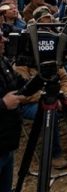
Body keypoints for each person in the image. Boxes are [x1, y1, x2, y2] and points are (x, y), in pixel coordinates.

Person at [0, 34, 24, 191]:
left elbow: (20, 83)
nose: (4, 41)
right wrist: (2, 104)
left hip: (7, 138)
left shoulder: (3, 61)